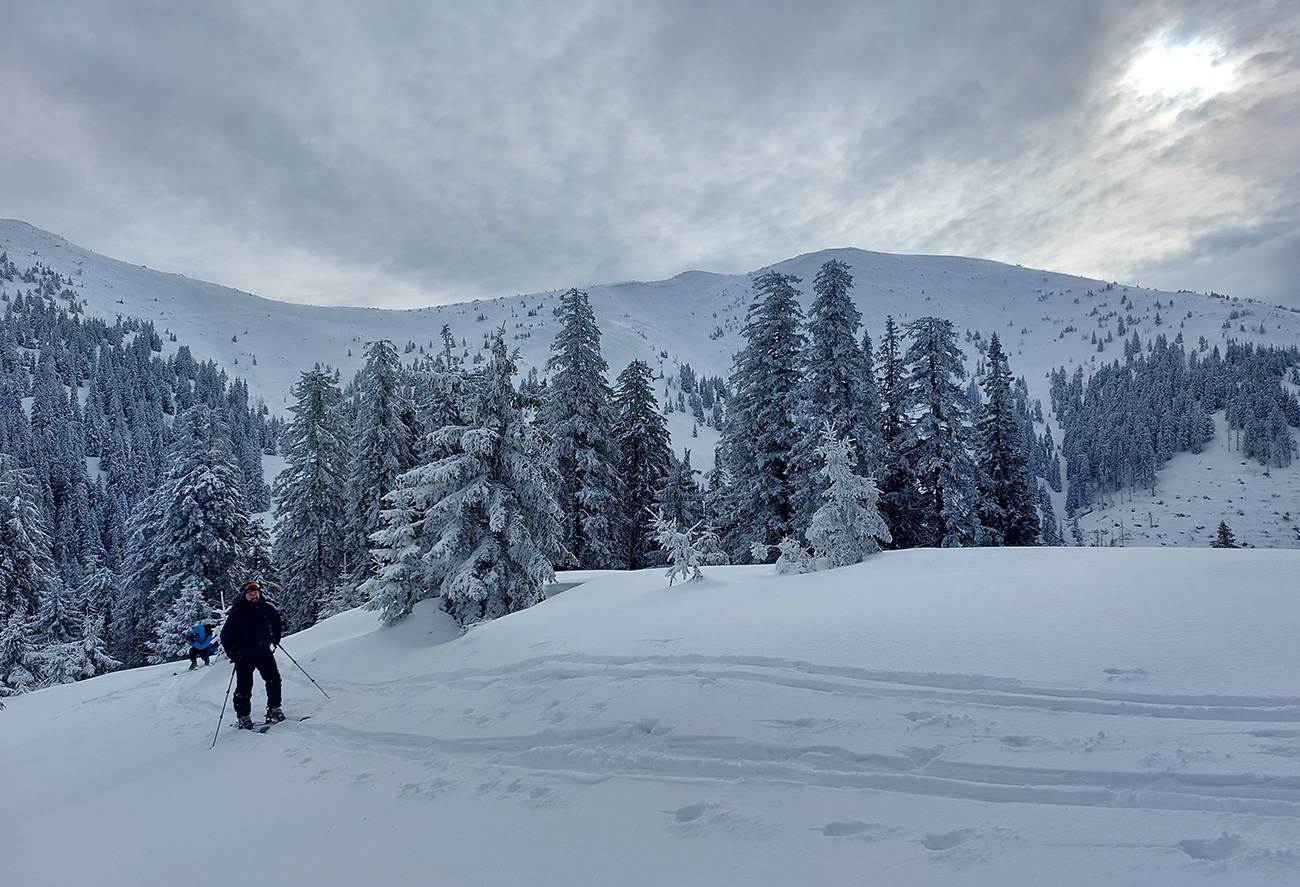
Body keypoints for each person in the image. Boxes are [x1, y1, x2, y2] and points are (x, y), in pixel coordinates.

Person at [220, 580, 286, 730]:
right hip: (244, 656)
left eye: (255, 593)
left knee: (274, 680)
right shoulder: (238, 613)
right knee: (244, 687)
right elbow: (225, 634)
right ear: (245, 596)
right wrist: (232, 653)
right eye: (250, 594)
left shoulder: (266, 608)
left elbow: (277, 621)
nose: (253, 596)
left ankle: (274, 708)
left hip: (263, 652)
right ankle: (243, 717)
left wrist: (276, 637)